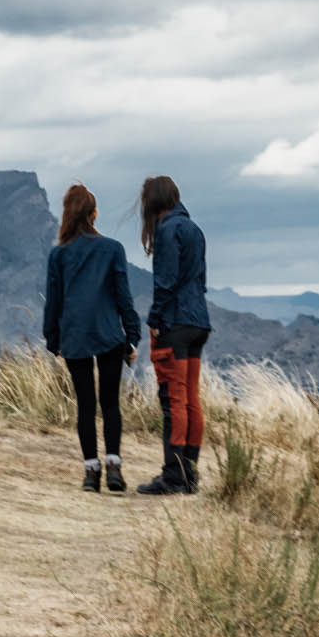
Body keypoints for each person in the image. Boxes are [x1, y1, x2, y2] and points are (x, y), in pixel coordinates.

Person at [42, 184, 140, 493]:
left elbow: (53, 302)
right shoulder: (113, 249)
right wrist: (132, 336)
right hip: (109, 333)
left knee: (85, 405)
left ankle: (90, 474)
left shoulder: (59, 254)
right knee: (110, 403)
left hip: (74, 336)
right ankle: (114, 469)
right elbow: (124, 296)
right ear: (94, 214)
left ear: (67, 214)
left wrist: (52, 337)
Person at [137, 175, 209, 496]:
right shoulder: (195, 230)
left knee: (173, 399)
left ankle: (173, 476)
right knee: (191, 398)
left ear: (152, 202)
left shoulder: (167, 230)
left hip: (174, 324)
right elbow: (199, 280)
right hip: (198, 322)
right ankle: (189, 472)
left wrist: (154, 319)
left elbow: (165, 282)